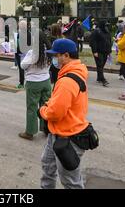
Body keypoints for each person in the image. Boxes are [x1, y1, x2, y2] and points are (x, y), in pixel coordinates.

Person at [39, 39, 91, 189]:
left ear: (66, 55)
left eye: (56, 55)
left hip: (68, 137)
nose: (54, 59)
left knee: (70, 181)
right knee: (47, 167)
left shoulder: (67, 81)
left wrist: (42, 111)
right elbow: (59, 102)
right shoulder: (73, 72)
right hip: (57, 132)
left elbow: (55, 113)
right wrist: (49, 105)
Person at [19, 33, 51, 141]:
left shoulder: (32, 53)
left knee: (32, 107)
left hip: (33, 82)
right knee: (45, 106)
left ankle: (30, 132)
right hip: (46, 81)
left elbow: (22, 65)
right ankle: (46, 129)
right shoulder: (49, 52)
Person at [89, 21, 112, 87]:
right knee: (100, 65)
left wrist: (109, 51)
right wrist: (94, 51)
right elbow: (93, 42)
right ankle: (103, 80)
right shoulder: (96, 31)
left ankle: (99, 77)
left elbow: (109, 40)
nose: (107, 27)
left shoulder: (107, 31)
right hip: (98, 51)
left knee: (102, 65)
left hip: (105, 51)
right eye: (106, 25)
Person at [16, 20, 31, 89]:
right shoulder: (28, 33)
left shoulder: (22, 33)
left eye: (19, 25)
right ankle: (26, 83)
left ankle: (21, 83)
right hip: (24, 53)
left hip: (21, 53)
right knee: (26, 69)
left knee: (22, 69)